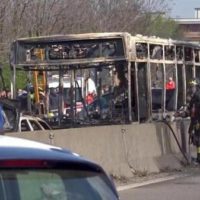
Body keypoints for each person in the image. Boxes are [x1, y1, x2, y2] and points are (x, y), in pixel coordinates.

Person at [186, 78, 200, 163]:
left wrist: (198, 122)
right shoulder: (193, 98)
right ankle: (199, 157)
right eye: (191, 87)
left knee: (198, 139)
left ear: (197, 87)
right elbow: (191, 110)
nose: (192, 89)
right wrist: (184, 113)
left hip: (198, 121)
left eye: (193, 86)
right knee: (197, 140)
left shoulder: (198, 97)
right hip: (195, 121)